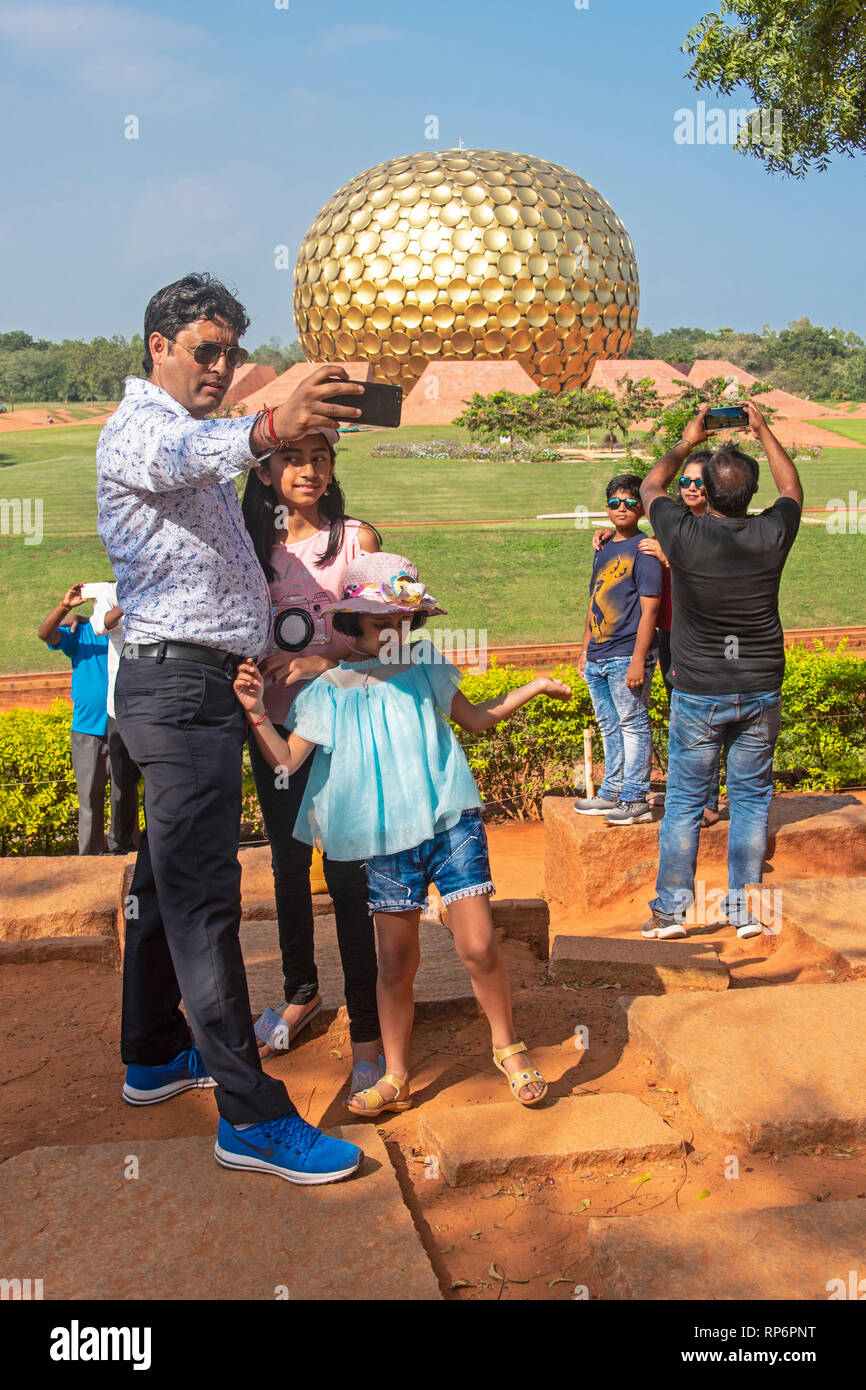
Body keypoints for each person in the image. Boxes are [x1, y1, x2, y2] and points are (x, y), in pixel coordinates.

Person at [96, 271, 368, 1186]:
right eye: (204, 350)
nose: (220, 366)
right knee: (208, 898)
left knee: (165, 882)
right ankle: (250, 1119)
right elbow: (188, 454)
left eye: (230, 353)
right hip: (179, 694)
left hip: (192, 686)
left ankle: (152, 1052)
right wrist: (268, 424)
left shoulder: (192, 432)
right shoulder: (143, 424)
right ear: (158, 346)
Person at [233, 551, 572, 1116]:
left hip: (450, 821)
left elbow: (476, 720)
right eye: (382, 623)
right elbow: (287, 764)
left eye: (402, 621)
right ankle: (395, 1075)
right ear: (352, 626)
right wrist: (256, 712)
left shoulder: (426, 665)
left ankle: (508, 1049)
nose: (395, 632)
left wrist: (534, 687)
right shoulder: (329, 691)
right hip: (385, 841)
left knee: (480, 945)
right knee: (395, 963)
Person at [241, 429, 385, 1095]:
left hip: (345, 730)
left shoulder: (359, 541)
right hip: (274, 728)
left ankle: (366, 1031)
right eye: (293, 458)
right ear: (265, 470)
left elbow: (390, 643)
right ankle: (301, 993)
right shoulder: (251, 550)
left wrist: (321, 659)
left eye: (320, 458)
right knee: (288, 864)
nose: (308, 470)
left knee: (350, 876)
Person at [640, 402, 803, 940]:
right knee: (752, 801)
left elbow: (649, 489)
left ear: (704, 491)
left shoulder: (682, 535)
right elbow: (792, 489)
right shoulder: (773, 532)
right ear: (751, 494)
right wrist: (763, 430)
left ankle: (670, 914)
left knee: (685, 803)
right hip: (759, 688)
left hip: (699, 692)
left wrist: (686, 442)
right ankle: (744, 911)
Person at [591, 452, 721, 828]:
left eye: (700, 482)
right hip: (669, 633)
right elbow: (633, 537)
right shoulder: (673, 521)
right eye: (685, 482)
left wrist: (668, 558)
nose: (692, 488)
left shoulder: (720, 526)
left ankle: (708, 799)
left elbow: (714, 576)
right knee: (679, 713)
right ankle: (686, 793)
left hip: (701, 634)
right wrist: (607, 535)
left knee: (701, 717)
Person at [573, 474, 662, 825]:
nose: (621, 508)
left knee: (632, 723)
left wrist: (639, 660)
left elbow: (650, 610)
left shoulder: (645, 551)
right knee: (609, 725)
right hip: (598, 654)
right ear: (606, 509)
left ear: (641, 507)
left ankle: (635, 796)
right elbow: (593, 600)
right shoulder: (604, 547)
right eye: (614, 503)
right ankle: (611, 791)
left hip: (627, 653)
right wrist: (584, 650)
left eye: (629, 502)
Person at [38, 583, 110, 855]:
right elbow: (45, 634)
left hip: (121, 727)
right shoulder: (79, 633)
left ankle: (125, 854)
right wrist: (65, 608)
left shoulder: (127, 634)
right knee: (89, 800)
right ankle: (90, 859)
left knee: (123, 797)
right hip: (86, 729)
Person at [87, 581, 141, 854]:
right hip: (119, 708)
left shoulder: (160, 586)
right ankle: (121, 847)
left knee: (160, 780)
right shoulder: (111, 592)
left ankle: (158, 846)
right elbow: (99, 626)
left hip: (156, 704)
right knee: (122, 781)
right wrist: (127, 602)